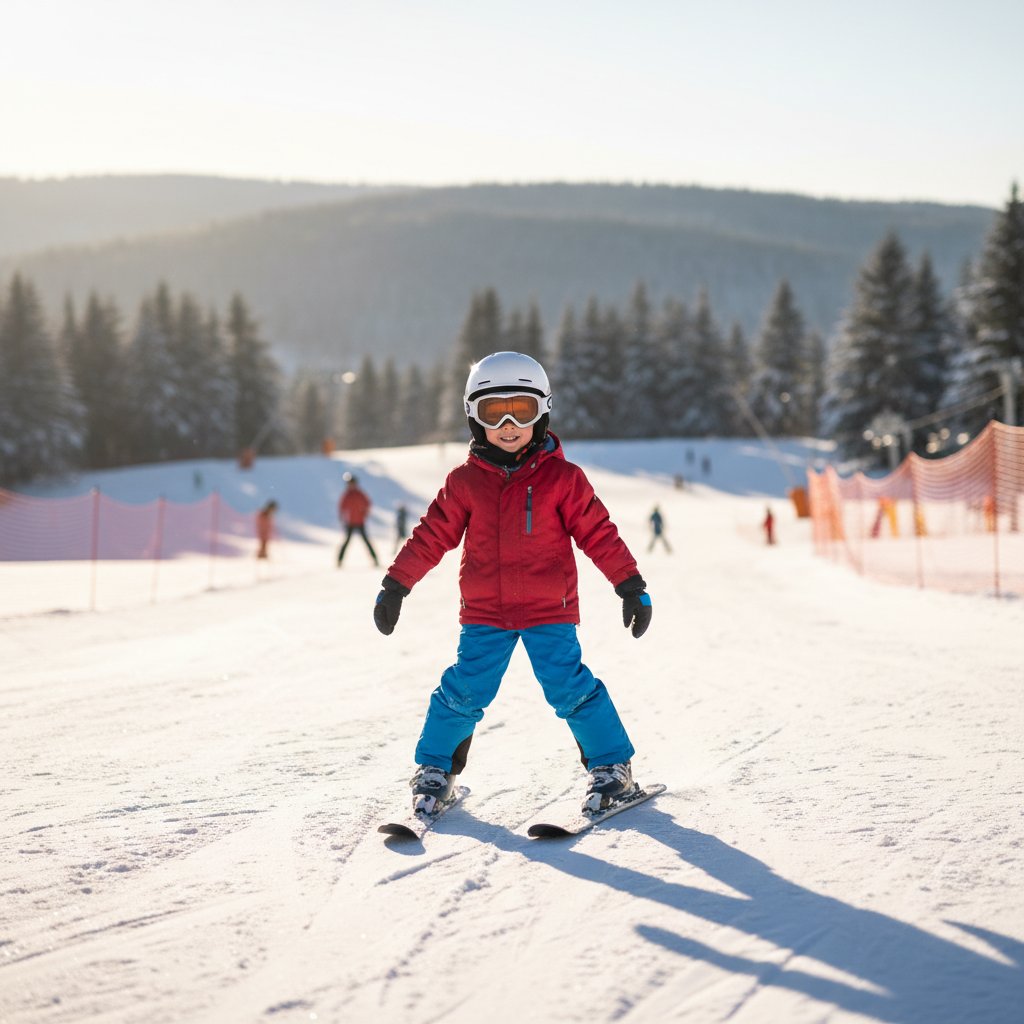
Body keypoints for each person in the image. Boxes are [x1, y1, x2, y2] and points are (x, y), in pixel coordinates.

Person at [372, 351, 652, 816]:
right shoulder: (464, 482)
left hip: (549, 609)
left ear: (541, 411)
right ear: (472, 416)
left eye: (520, 410)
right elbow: (432, 534)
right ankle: (435, 770)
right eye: (492, 411)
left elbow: (597, 532)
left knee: (570, 688)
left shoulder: (564, 479)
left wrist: (629, 583)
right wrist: (397, 584)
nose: (506, 423)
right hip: (486, 613)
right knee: (463, 691)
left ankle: (612, 767)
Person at [337, 473, 379, 567]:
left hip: (360, 522)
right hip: (350, 523)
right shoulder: (347, 495)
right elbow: (341, 507)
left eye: (352, 483)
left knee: (367, 542)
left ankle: (375, 560)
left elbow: (368, 503)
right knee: (346, 542)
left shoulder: (360, 494)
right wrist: (342, 518)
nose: (351, 485)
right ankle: (339, 561)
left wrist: (364, 514)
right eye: (349, 483)